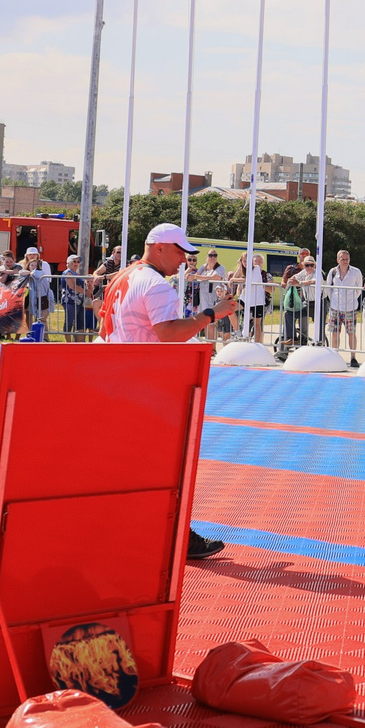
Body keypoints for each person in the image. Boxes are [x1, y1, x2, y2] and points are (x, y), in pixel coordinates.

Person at [96, 224, 231, 559]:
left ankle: (146, 533)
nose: (185, 259)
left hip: (112, 379)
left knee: (130, 466)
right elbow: (170, 333)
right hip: (141, 384)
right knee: (164, 467)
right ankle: (173, 538)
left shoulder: (125, 276)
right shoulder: (156, 285)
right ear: (158, 247)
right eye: (180, 251)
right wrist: (212, 314)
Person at [325, 248, 364, 361]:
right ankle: (335, 356)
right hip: (335, 307)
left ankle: (353, 357)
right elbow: (329, 288)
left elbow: (358, 289)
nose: (345, 261)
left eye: (347, 259)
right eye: (343, 259)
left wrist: (350, 300)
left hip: (350, 308)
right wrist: (334, 301)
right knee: (335, 333)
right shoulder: (333, 272)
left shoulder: (356, 272)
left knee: (351, 333)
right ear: (338, 260)